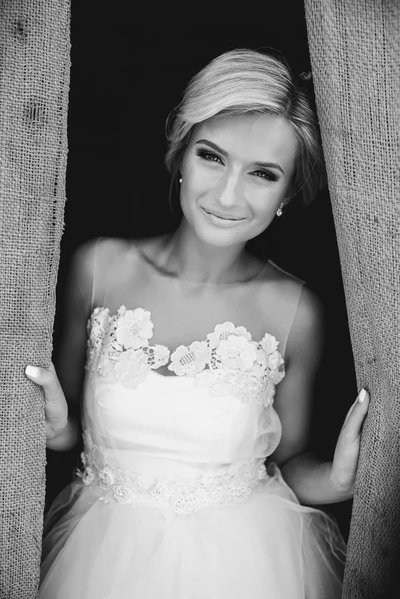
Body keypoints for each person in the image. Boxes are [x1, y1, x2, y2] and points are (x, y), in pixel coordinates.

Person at [26, 48, 369, 598]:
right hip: (97, 560)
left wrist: (337, 479)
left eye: (262, 174)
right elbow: (64, 432)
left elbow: (285, 464)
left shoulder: (294, 309)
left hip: (247, 568)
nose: (229, 195)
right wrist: (50, 426)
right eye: (213, 157)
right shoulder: (100, 268)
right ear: (181, 153)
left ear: (286, 195)